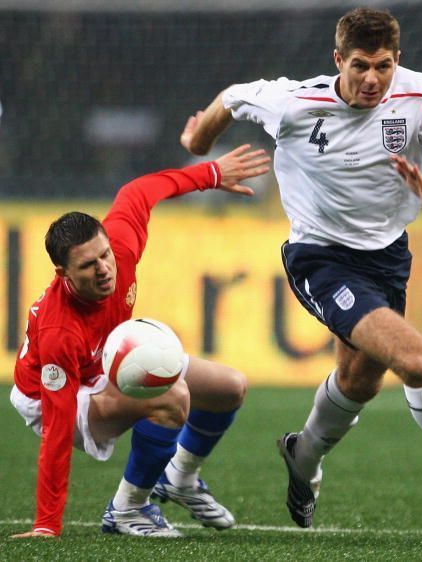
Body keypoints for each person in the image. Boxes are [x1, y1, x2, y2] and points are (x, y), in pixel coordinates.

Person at [179, 8, 422, 530]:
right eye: (361, 66)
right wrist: (197, 144)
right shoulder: (295, 103)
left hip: (388, 258)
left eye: (384, 66)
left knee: (359, 381)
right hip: (319, 257)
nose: (373, 79)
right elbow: (233, 96)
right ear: (338, 60)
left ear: (399, 61)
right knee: (414, 359)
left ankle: (302, 459)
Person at [10, 144, 270, 538]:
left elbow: (140, 190)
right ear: (62, 272)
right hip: (55, 395)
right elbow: (58, 429)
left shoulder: (121, 247)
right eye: (87, 265)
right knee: (174, 397)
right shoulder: (58, 332)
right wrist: (47, 524)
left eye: (104, 255)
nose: (104, 269)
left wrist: (212, 174)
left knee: (229, 388)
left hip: (103, 359)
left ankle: (179, 477)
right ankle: (128, 510)